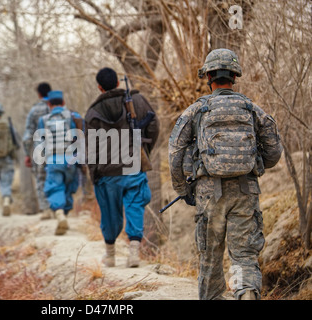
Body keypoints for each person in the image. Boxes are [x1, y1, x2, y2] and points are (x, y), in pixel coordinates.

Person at [168, 48, 283, 300]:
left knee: (210, 256)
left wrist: (183, 189)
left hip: (209, 195)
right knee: (244, 254)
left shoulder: (195, 111)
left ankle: (214, 296)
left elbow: (175, 153)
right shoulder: (252, 109)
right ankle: (246, 292)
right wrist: (255, 164)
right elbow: (274, 151)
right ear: (234, 75)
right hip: (246, 191)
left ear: (208, 76)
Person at [84, 68, 160, 268]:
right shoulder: (139, 100)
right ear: (118, 83)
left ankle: (110, 255)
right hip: (133, 166)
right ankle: (133, 252)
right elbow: (154, 125)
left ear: (100, 87)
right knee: (135, 205)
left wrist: (95, 174)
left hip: (107, 172)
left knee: (110, 213)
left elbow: (89, 148)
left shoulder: (92, 112)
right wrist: (145, 151)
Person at [36, 90, 82, 235]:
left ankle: (60, 213)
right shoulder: (73, 116)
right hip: (70, 160)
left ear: (49, 104)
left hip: (53, 160)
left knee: (55, 187)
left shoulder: (43, 120)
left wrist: (41, 163)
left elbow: (40, 143)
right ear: (63, 103)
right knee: (69, 188)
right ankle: (65, 215)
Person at [22, 82, 52, 218]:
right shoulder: (56, 107)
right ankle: (57, 207)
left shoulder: (33, 111)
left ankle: (45, 209)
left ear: (39, 94)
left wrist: (27, 153)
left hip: (39, 149)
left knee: (40, 179)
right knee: (55, 177)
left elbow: (28, 135)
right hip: (57, 148)